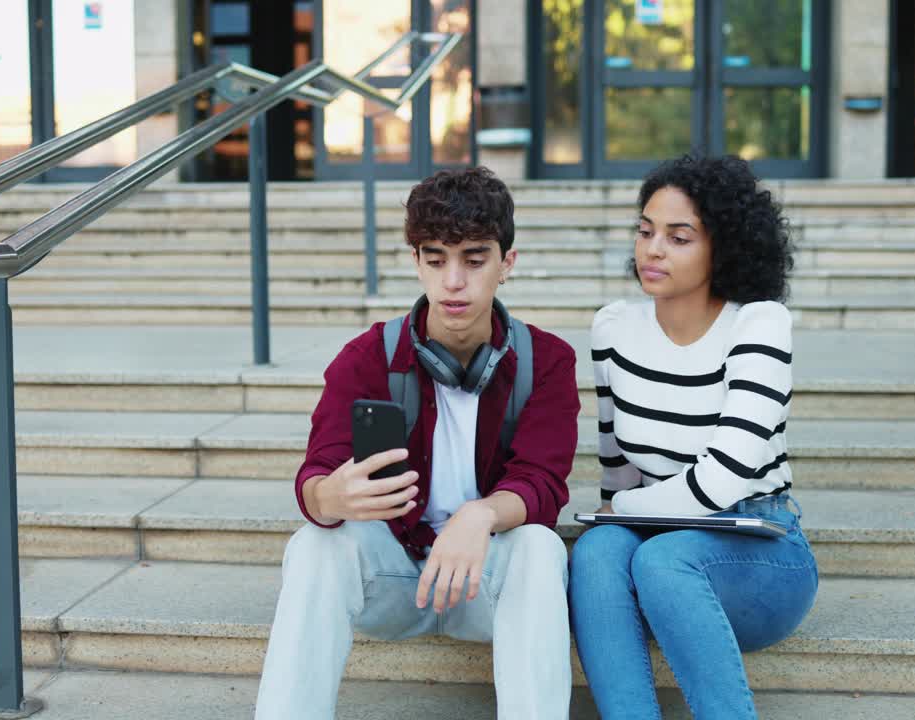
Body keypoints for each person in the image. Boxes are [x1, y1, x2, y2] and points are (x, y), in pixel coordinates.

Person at [254, 167, 580, 720]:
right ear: (416, 262)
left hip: (486, 580)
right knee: (314, 544)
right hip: (397, 579)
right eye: (436, 259)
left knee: (541, 547)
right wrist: (330, 498)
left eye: (474, 260)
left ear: (507, 263)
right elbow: (317, 475)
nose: (454, 281)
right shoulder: (367, 356)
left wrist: (479, 517)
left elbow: (543, 483)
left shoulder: (547, 359)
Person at [569, 154, 818, 719]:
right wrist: (615, 514)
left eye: (678, 237)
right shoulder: (614, 328)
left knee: (662, 560)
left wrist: (625, 508)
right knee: (598, 549)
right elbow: (617, 465)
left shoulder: (758, 323)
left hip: (759, 544)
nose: (653, 249)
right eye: (645, 230)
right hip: (658, 537)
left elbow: (722, 479)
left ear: (722, 247)